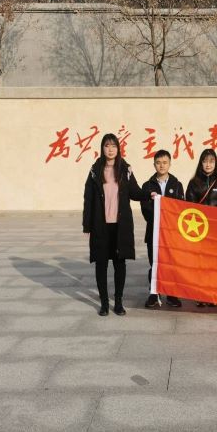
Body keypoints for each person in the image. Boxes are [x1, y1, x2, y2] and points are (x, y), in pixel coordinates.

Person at [83, 133, 150, 316]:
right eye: (107, 145)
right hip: (101, 225)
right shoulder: (95, 170)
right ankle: (104, 303)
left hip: (120, 225)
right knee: (101, 264)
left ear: (118, 149)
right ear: (102, 148)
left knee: (120, 264)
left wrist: (149, 194)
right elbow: (88, 199)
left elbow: (135, 192)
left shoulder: (125, 169)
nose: (110, 149)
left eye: (113, 146)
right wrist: (87, 225)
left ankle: (118, 302)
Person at [185, 148, 217, 307]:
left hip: (216, 231)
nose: (208, 164)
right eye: (205, 161)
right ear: (201, 163)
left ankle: (213, 294)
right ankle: (200, 294)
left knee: (215, 264)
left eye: (211, 161)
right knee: (200, 264)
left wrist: (215, 219)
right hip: (199, 230)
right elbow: (189, 206)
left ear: (216, 163)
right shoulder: (194, 183)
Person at [140, 149, 185, 309]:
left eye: (165, 162)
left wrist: (169, 222)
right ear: (154, 165)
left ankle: (172, 294)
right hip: (154, 232)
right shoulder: (147, 186)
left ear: (170, 164)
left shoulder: (177, 185)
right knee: (155, 263)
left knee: (171, 263)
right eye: (158, 163)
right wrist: (160, 219)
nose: (162, 165)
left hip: (172, 233)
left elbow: (180, 208)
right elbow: (146, 209)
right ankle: (154, 293)